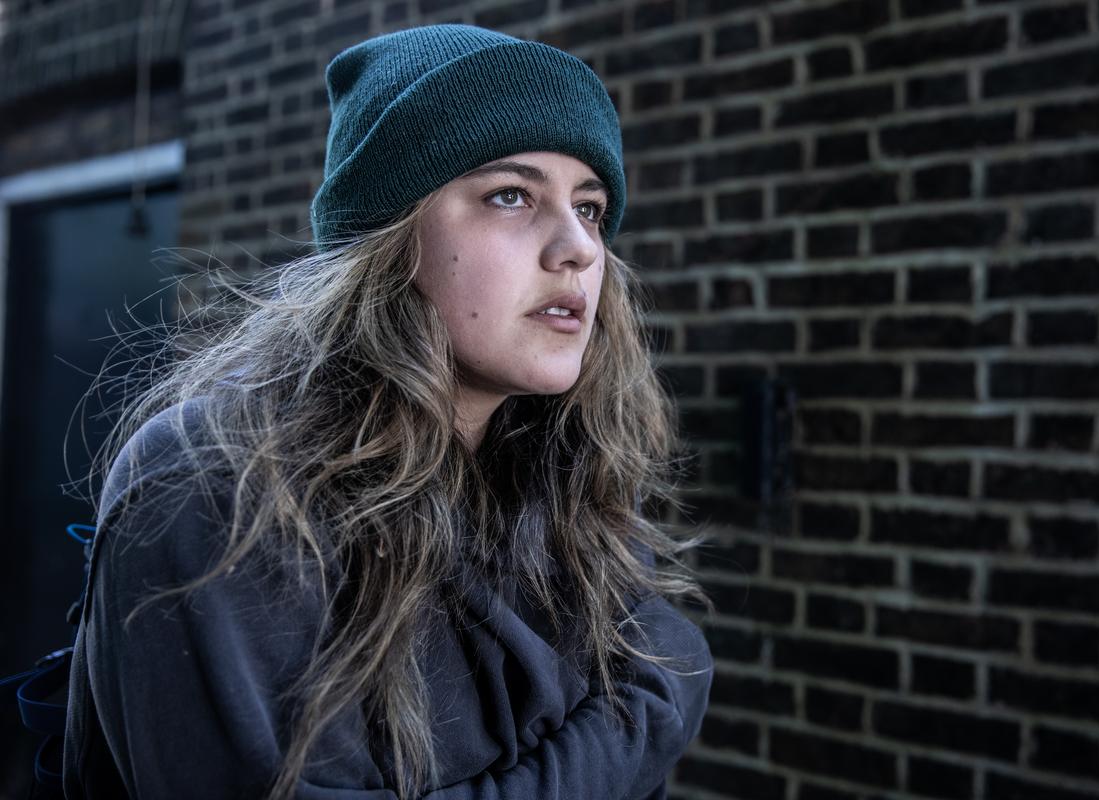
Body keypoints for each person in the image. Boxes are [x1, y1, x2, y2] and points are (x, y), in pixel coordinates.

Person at [61, 23, 714, 800]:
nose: (578, 248)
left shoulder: (567, 476)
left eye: (592, 207)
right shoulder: (215, 486)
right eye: (511, 195)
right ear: (389, 239)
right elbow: (662, 675)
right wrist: (644, 716)